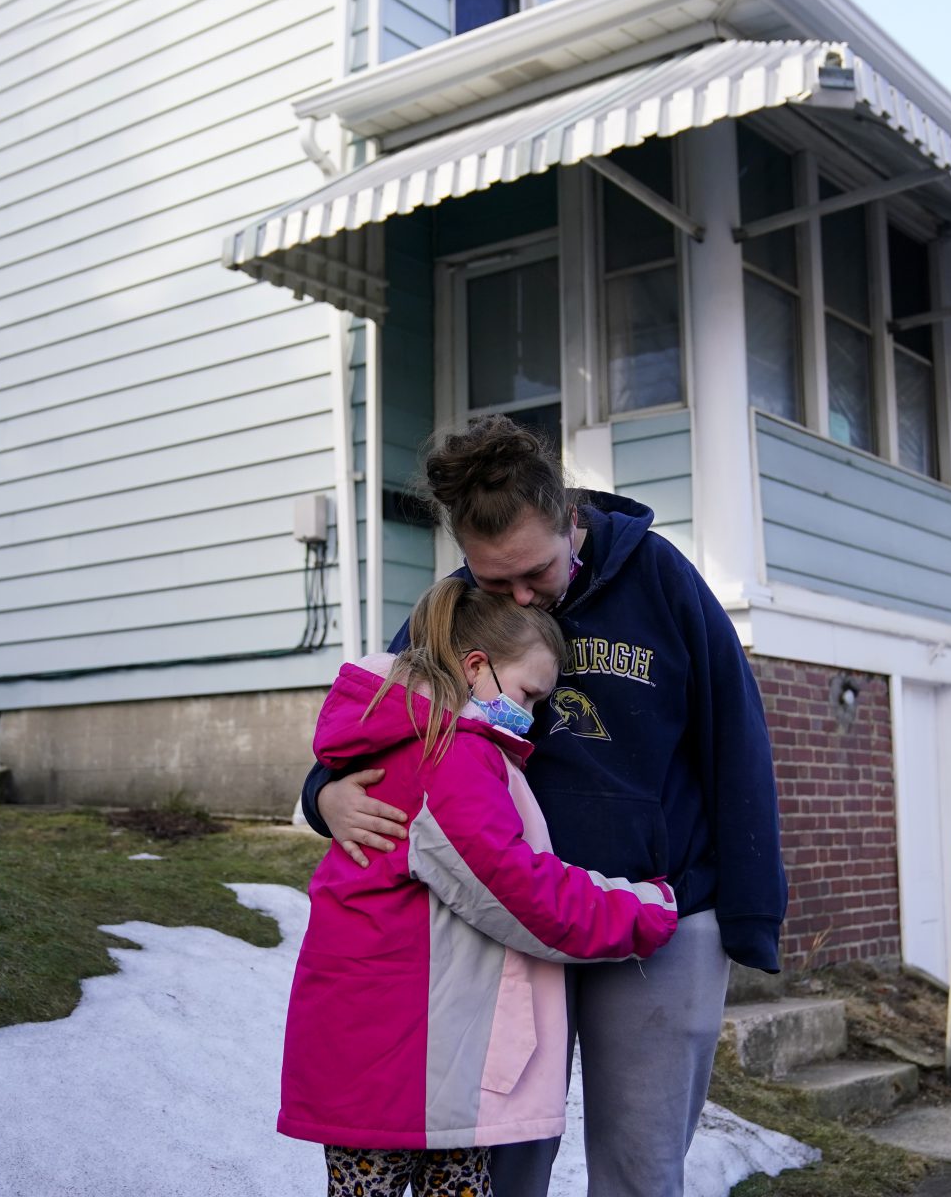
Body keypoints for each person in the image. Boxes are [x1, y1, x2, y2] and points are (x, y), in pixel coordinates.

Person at [302, 415, 787, 1197]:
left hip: (661, 915)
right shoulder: (461, 609)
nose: (525, 597)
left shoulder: (661, 578)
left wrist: (751, 912)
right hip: (508, 927)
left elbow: (736, 737)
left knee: (639, 1165)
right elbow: (380, 717)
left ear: (571, 522)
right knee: (499, 1161)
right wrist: (323, 795)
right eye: (498, 581)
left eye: (537, 573)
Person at [279, 576, 680, 1197]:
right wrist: (641, 908)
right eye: (528, 692)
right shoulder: (450, 755)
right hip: (406, 1059)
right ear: (475, 667)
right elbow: (514, 890)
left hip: (384, 1047)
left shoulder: (409, 734)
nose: (533, 713)